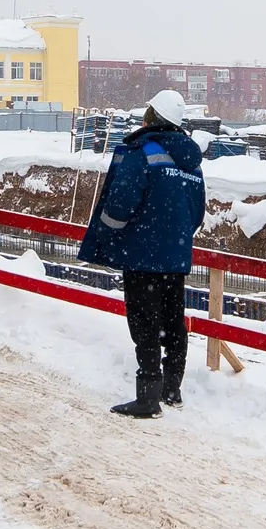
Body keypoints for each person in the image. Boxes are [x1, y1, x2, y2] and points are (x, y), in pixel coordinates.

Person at [76, 89, 206, 418]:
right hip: (175, 257)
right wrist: (173, 238)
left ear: (151, 117)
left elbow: (120, 202)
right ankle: (172, 390)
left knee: (144, 323)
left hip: (142, 254)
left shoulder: (142, 151)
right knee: (173, 321)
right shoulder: (190, 161)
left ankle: (148, 396)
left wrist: (105, 234)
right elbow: (197, 213)